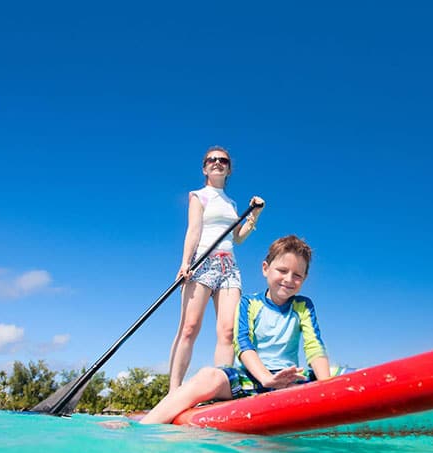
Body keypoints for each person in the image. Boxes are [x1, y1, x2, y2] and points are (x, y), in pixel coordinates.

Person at [141, 235, 331, 424]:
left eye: (297, 275)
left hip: (290, 380)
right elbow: (242, 344)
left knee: (338, 373)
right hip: (252, 379)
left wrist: (327, 387)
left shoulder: (303, 305)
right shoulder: (249, 303)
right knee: (209, 375)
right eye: (282, 270)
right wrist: (266, 378)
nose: (289, 279)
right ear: (266, 269)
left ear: (304, 278)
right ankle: (145, 426)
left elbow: (314, 346)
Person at [168, 146, 265, 391]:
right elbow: (194, 230)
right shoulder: (197, 195)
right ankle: (174, 390)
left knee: (228, 332)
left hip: (229, 267)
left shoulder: (232, 204)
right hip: (202, 263)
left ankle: (220, 389)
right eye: (212, 160)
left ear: (229, 169)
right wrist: (185, 262)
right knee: (189, 328)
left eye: (223, 160)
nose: (217, 163)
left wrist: (254, 215)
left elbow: (238, 237)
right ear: (205, 167)